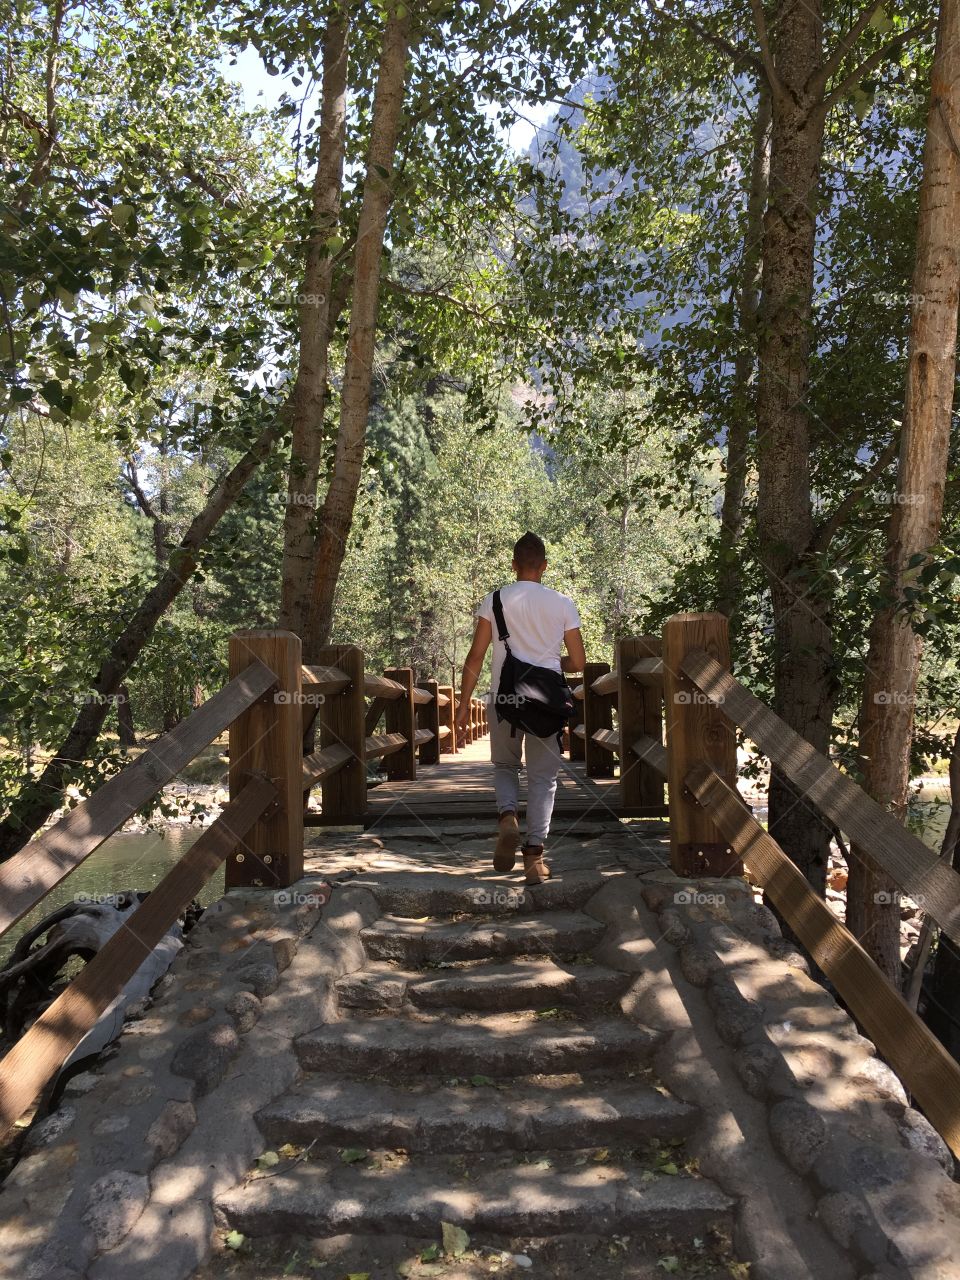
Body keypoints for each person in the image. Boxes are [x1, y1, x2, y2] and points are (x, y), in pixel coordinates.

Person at [455, 532, 585, 885]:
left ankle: (508, 817)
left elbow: (476, 656)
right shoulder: (563, 603)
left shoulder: (494, 600)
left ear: (513, 565)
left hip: (504, 700)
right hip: (546, 704)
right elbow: (579, 662)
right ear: (543, 566)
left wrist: (464, 704)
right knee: (543, 779)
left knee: (505, 767)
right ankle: (533, 859)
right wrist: (552, 663)